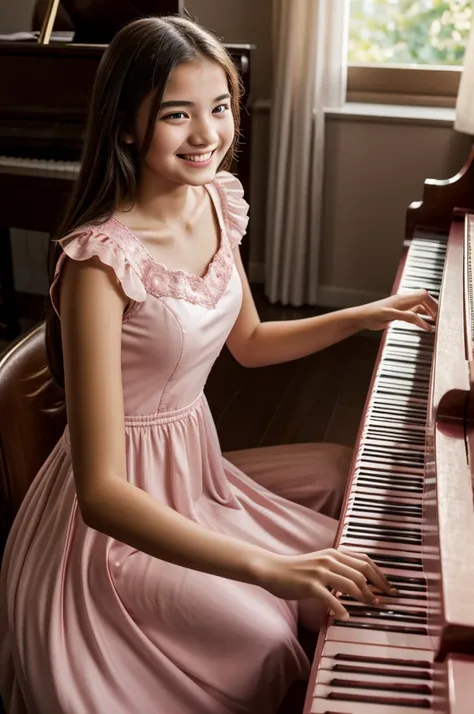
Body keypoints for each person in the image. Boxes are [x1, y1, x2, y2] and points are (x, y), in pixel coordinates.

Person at [0, 15, 438, 714]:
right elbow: (102, 494)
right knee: (265, 632)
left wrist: (363, 314)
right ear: (126, 128)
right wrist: (268, 567)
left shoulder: (214, 201)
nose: (208, 133)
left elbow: (252, 343)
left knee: (341, 538)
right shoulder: (98, 264)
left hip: (194, 473)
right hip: (114, 523)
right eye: (178, 114)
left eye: (221, 106)